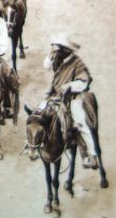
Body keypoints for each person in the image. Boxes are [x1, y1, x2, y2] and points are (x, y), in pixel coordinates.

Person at [39, 34, 99, 169]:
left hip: (72, 97)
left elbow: (85, 82)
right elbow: (46, 65)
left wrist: (70, 85)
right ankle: (35, 143)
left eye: (57, 50)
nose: (55, 54)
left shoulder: (77, 62)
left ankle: (91, 155)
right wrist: (50, 54)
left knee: (80, 122)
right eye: (54, 50)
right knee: (37, 113)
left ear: (66, 50)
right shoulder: (57, 59)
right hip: (54, 95)